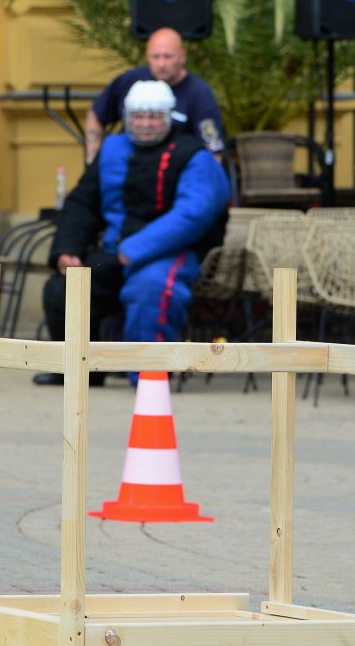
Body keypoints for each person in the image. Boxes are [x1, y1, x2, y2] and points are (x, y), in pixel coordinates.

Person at [34, 79, 230, 387]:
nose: (146, 124)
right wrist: (67, 248)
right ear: (127, 117)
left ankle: (149, 379)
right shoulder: (112, 148)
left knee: (149, 288)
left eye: (154, 117)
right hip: (115, 253)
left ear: (168, 117)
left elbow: (193, 214)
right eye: (138, 116)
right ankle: (78, 371)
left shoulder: (195, 156)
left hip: (170, 253)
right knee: (63, 288)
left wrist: (134, 249)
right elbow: (82, 201)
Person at [84, 27, 225, 163]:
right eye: (155, 56)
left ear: (182, 56)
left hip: (175, 168)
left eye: (168, 56)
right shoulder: (130, 81)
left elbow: (213, 152)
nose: (161, 64)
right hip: (127, 164)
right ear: (147, 56)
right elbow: (96, 114)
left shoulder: (199, 93)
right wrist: (93, 158)